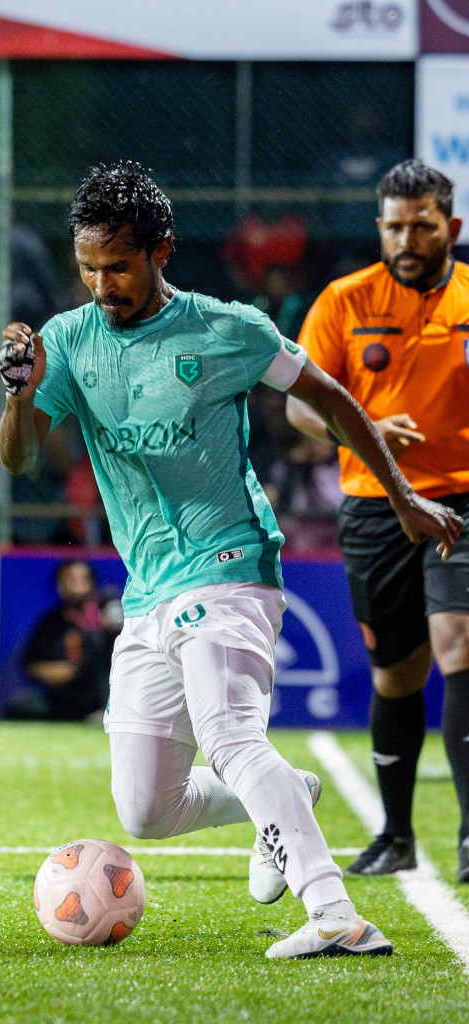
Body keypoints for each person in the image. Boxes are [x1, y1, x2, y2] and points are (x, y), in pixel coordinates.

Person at [0, 161, 460, 959]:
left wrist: (405, 497)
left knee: (231, 735)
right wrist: (17, 393)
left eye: (119, 266)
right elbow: (18, 458)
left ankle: (335, 915)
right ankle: (284, 802)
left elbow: (332, 398)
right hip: (148, 591)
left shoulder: (225, 328)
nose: (103, 284)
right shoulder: (66, 342)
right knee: (145, 810)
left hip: (231, 564)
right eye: (89, 269)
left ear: (161, 251)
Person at [285, 159, 469, 883]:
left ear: (450, 228)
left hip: (459, 501)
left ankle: (467, 838)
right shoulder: (343, 299)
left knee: (458, 644)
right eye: (393, 225)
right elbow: (301, 403)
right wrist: (355, 429)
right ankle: (395, 835)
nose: (406, 238)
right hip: (374, 504)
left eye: (421, 225)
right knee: (397, 675)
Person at [8, 560, 120, 722]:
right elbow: (30, 664)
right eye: (70, 580)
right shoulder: (51, 623)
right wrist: (54, 670)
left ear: (91, 582)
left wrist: (110, 627)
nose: (76, 586)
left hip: (103, 692)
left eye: (82, 580)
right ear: (59, 585)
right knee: (21, 706)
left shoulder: (108, 617)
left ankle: (104, 712)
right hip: (65, 696)